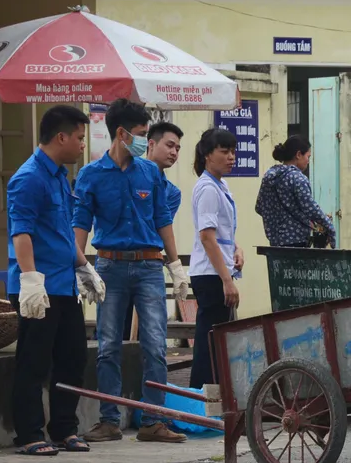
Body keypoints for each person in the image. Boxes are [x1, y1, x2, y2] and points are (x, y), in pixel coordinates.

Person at [73, 98, 189, 444]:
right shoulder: (90, 176)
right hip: (108, 265)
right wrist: (80, 267)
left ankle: (153, 419)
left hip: (150, 267)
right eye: (140, 134)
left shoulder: (149, 172)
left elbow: (162, 219)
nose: (144, 141)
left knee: (155, 344)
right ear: (121, 133)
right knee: (108, 345)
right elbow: (80, 223)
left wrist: (175, 265)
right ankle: (109, 419)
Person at [6, 105, 106, 456]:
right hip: (38, 287)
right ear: (61, 137)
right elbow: (22, 234)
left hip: (64, 284)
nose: (82, 145)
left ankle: (64, 428)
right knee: (34, 362)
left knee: (72, 358)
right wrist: (31, 280)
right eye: (79, 138)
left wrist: (85, 267)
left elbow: (63, 232)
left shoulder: (59, 177)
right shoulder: (28, 178)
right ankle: (30, 434)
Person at [119, 122, 186, 342]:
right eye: (169, 145)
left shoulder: (172, 192)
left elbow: (158, 226)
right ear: (150, 143)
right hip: (117, 262)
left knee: (153, 337)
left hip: (149, 265)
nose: (174, 152)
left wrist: (176, 267)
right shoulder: (125, 174)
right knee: (115, 335)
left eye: (177, 148)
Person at [189, 127, 243, 390]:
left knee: (217, 339)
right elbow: (207, 237)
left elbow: (222, 232)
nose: (231, 157)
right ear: (208, 155)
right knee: (209, 341)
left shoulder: (221, 184)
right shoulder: (208, 188)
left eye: (233, 151)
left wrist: (236, 248)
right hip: (211, 275)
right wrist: (227, 279)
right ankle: (203, 397)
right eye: (224, 152)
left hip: (218, 270)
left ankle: (215, 397)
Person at [255, 134, 336, 248]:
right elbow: (310, 208)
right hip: (297, 244)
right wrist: (329, 227)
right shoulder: (298, 179)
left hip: (275, 245)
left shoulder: (269, 177)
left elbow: (259, 207)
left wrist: (276, 220)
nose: (308, 161)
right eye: (308, 156)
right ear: (298, 155)